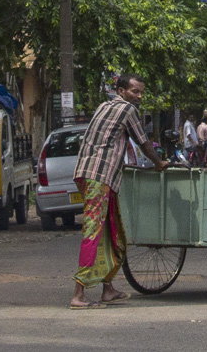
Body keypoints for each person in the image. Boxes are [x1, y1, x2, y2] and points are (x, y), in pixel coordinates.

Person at [70, 73, 168, 309]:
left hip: (87, 174)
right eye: (135, 91)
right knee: (93, 230)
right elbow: (143, 142)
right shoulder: (127, 110)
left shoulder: (104, 106)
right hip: (99, 177)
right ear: (122, 91)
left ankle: (108, 288)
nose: (139, 96)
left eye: (141, 92)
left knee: (112, 231)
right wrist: (158, 163)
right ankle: (78, 294)